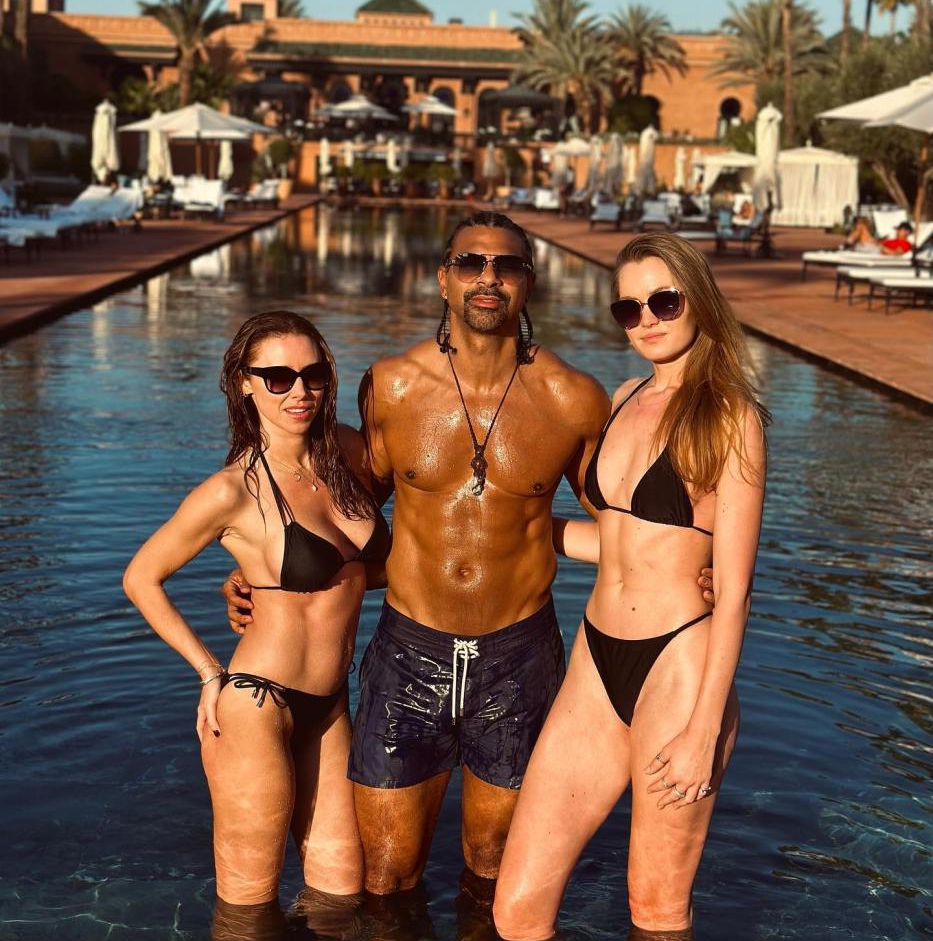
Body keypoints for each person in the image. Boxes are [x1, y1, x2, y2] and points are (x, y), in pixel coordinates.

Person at [223, 212, 714, 898]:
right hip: (407, 652)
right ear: (442, 279)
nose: (489, 278)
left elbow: (623, 522)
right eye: (470, 263)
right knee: (386, 875)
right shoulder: (391, 387)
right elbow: (344, 519)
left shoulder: (574, 399)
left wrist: (690, 567)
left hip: (518, 656)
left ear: (527, 283)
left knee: (494, 869)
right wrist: (262, 574)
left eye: (506, 265)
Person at [493, 231, 768, 941]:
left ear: (698, 302)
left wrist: (702, 730)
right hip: (595, 657)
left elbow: (733, 589)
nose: (645, 318)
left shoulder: (729, 418)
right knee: (515, 908)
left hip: (678, 668)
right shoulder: (622, 396)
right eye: (628, 307)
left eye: (663, 301)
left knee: (654, 912)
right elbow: (614, 541)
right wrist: (503, 524)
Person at [124, 310, 389, 907]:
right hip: (257, 706)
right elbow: (142, 577)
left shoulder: (347, 453)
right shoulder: (232, 490)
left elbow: (361, 569)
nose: (299, 392)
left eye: (313, 374)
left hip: (330, 707)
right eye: (277, 378)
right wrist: (208, 671)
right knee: (249, 908)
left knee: (341, 895)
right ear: (244, 382)